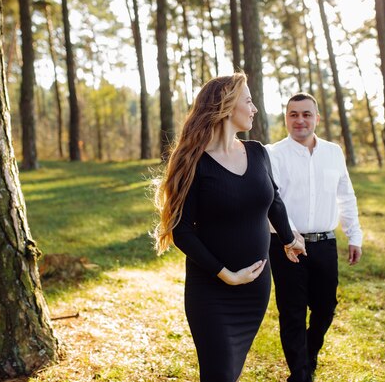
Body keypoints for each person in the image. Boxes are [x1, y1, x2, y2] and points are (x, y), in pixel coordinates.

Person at [153, 73, 305, 382]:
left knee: (230, 372)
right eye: (248, 101)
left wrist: (289, 239)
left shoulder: (258, 152)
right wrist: (227, 274)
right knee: (219, 374)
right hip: (212, 290)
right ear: (225, 107)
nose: (254, 108)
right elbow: (181, 231)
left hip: (255, 289)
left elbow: (273, 200)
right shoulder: (194, 162)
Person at [267, 92, 363, 382]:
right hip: (285, 245)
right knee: (292, 312)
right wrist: (289, 235)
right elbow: (274, 198)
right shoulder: (273, 154)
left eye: (306, 114)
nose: (300, 120)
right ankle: (300, 374)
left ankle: (309, 352)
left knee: (325, 307)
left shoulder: (333, 152)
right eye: (293, 114)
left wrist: (354, 235)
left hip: (325, 243)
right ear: (286, 118)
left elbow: (345, 195)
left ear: (317, 118)